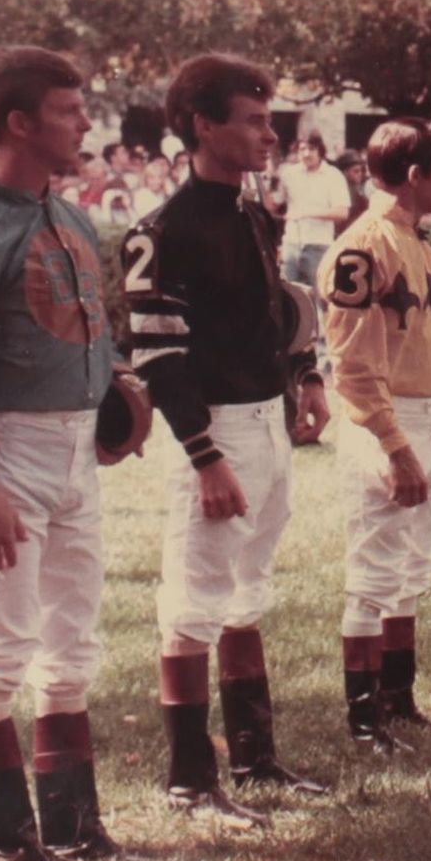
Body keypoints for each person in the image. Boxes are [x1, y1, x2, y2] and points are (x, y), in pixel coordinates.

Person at [0, 45, 133, 861]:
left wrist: (112, 391)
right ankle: (10, 839)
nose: (85, 123)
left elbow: (88, 332)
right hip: (6, 451)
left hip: (74, 452)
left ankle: (76, 825)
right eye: (70, 110)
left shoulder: (70, 217)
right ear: (19, 121)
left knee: (71, 644)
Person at [125, 51, 334, 820]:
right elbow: (159, 357)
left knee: (248, 592)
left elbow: (276, 307)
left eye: (268, 119)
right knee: (192, 604)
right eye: (250, 121)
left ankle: (255, 757)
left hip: (266, 421)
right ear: (201, 125)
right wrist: (204, 456)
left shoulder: (253, 213)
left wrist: (306, 373)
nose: (268, 134)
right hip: (213, 428)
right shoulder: (164, 230)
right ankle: (189, 778)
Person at [321, 119, 431, 752]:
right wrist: (394, 445)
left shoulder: (419, 240)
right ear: (414, 177)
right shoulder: (363, 246)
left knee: (411, 566)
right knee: (375, 569)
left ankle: (397, 697)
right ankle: (364, 720)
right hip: (386, 421)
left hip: (430, 412)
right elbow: (352, 365)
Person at [277, 130, 353, 292]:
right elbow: (276, 203)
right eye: (301, 149)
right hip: (291, 244)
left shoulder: (333, 175)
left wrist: (306, 213)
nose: (306, 154)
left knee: (320, 299)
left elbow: (342, 213)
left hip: (319, 244)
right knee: (290, 297)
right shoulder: (289, 174)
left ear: (320, 150)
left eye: (311, 149)